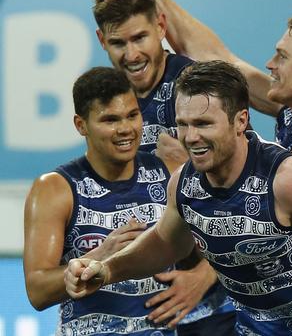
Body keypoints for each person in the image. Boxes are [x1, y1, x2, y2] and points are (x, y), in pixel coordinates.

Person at [63, 60, 292, 336]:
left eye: (203, 124)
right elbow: (167, 243)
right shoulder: (184, 183)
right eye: (183, 124)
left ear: (241, 121)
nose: (191, 138)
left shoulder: (291, 179)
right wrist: (106, 269)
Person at [108, 0, 292, 308]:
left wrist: (190, 171)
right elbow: (218, 58)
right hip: (283, 305)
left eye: (282, 57)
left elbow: (265, 231)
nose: (270, 65)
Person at [93, 0, 236, 334]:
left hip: (218, 306)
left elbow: (254, 192)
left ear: (160, 26)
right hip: (146, 310)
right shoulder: (109, 102)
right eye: (117, 43)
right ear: (101, 41)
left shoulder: (199, 87)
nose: (131, 55)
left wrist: (204, 277)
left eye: (139, 38)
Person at [23, 66, 192, 335]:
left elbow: (209, 246)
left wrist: (201, 276)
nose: (125, 129)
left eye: (132, 115)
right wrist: (101, 255)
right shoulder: (55, 189)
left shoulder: (170, 173)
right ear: (81, 125)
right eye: (110, 120)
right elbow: (37, 291)